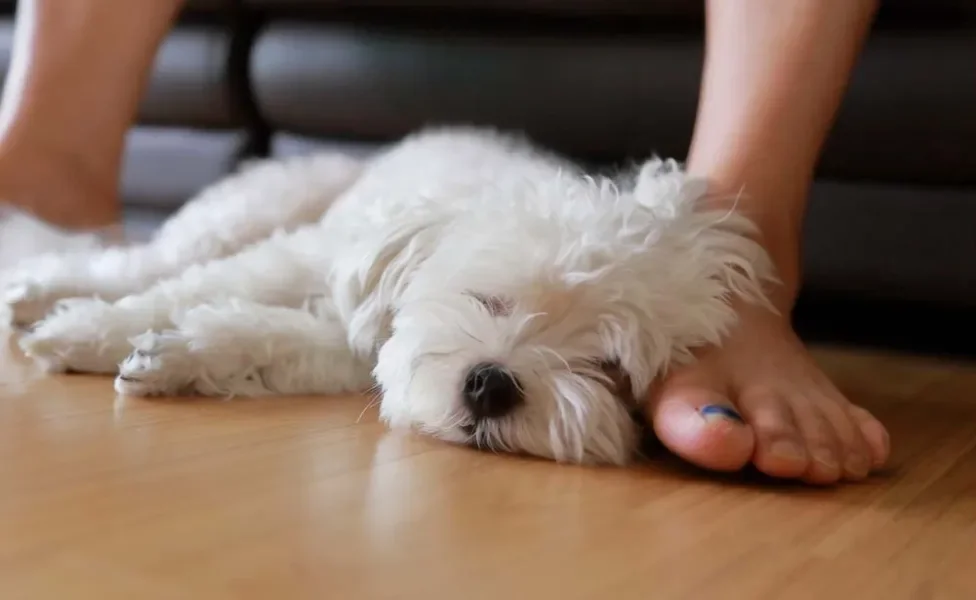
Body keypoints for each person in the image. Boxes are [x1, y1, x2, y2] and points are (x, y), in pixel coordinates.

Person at [0, 0, 889, 484]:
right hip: (351, 185)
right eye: (491, 305)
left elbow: (353, 347)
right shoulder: (427, 225)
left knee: (335, 331)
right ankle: (50, 177)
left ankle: (740, 221)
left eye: (600, 365)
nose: (498, 371)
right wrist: (140, 296)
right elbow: (297, 278)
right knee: (200, 253)